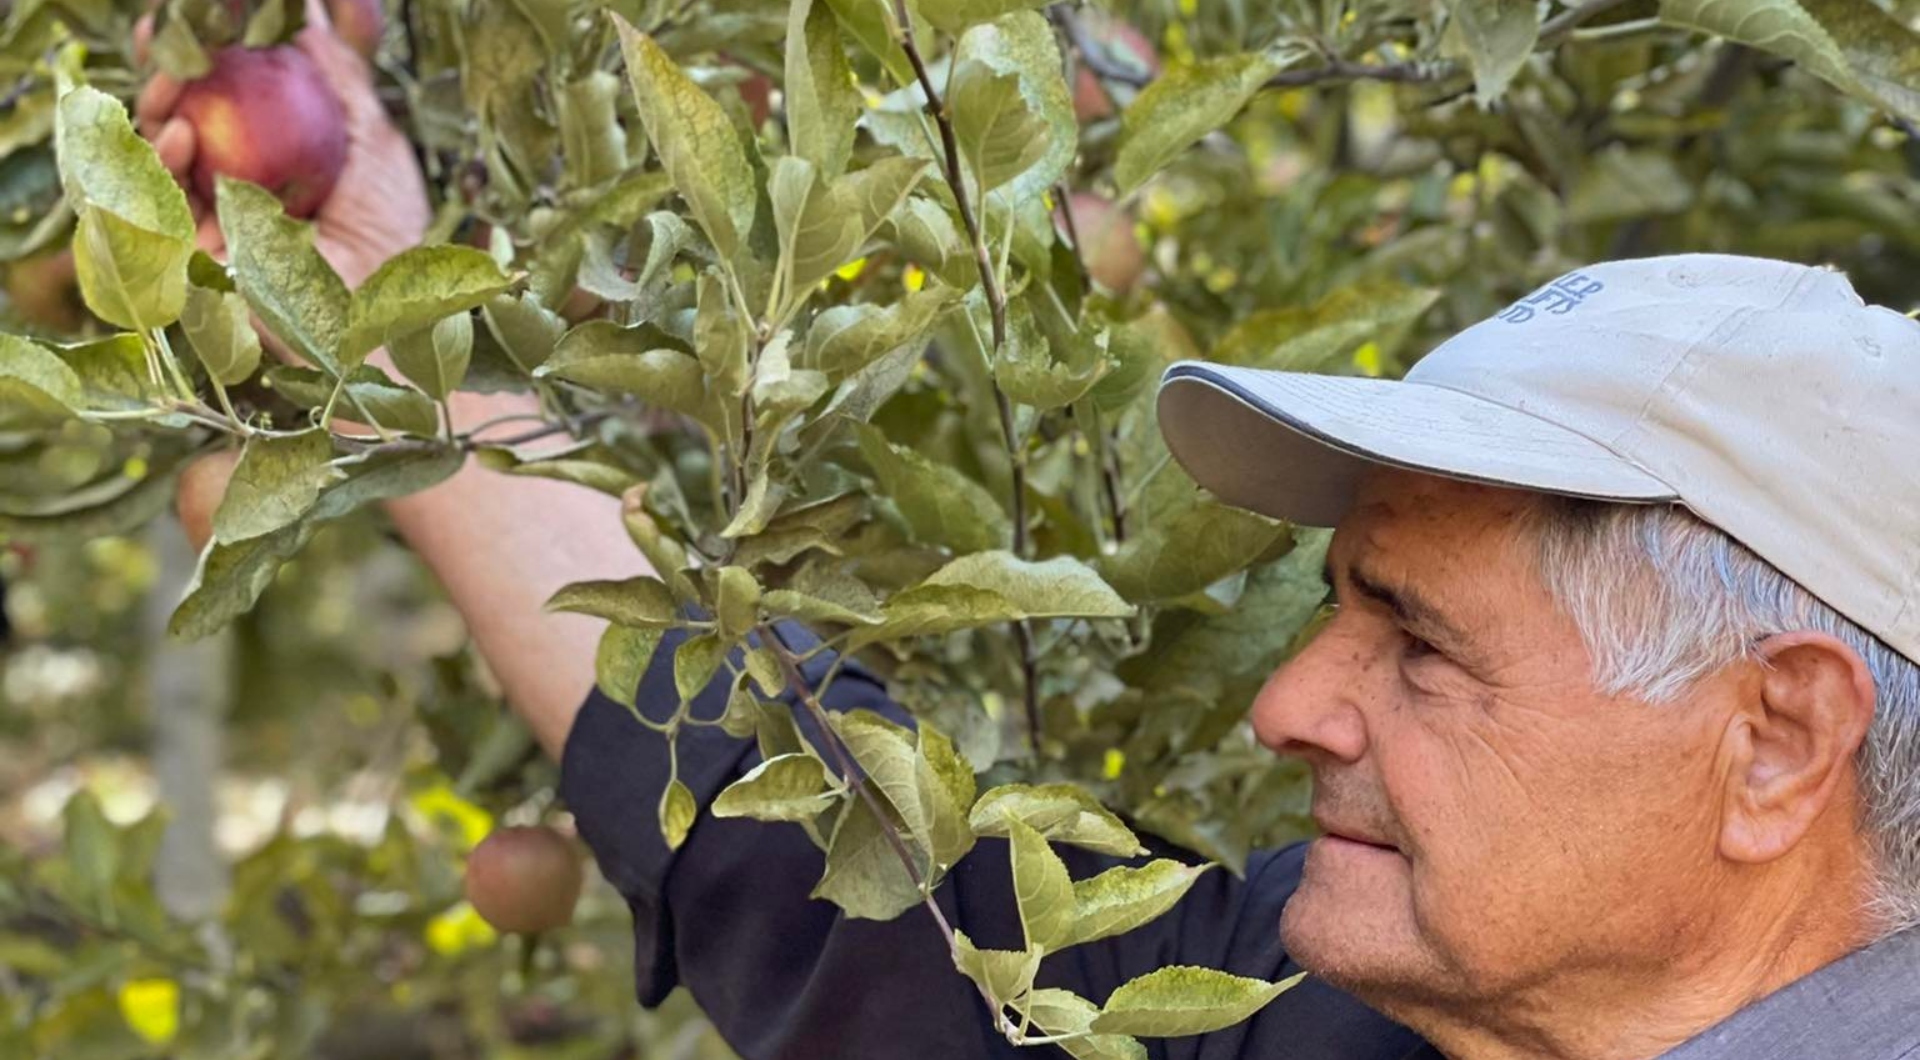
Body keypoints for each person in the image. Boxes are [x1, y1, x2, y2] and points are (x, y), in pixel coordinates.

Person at [158, 15, 1920, 1060]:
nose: (1291, 702)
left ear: (1772, 743)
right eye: (1334, 615)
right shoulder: (1335, 1028)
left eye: (1420, 642)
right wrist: (390, 349)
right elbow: (853, 893)